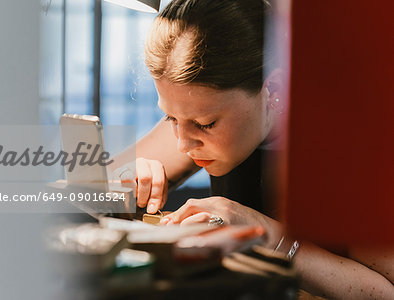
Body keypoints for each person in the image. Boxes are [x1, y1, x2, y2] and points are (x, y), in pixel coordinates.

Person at [110, 0, 394, 298]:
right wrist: (125, 179)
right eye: (171, 117)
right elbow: (88, 188)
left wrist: (264, 231)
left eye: (205, 123)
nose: (182, 142)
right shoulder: (196, 124)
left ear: (273, 91)